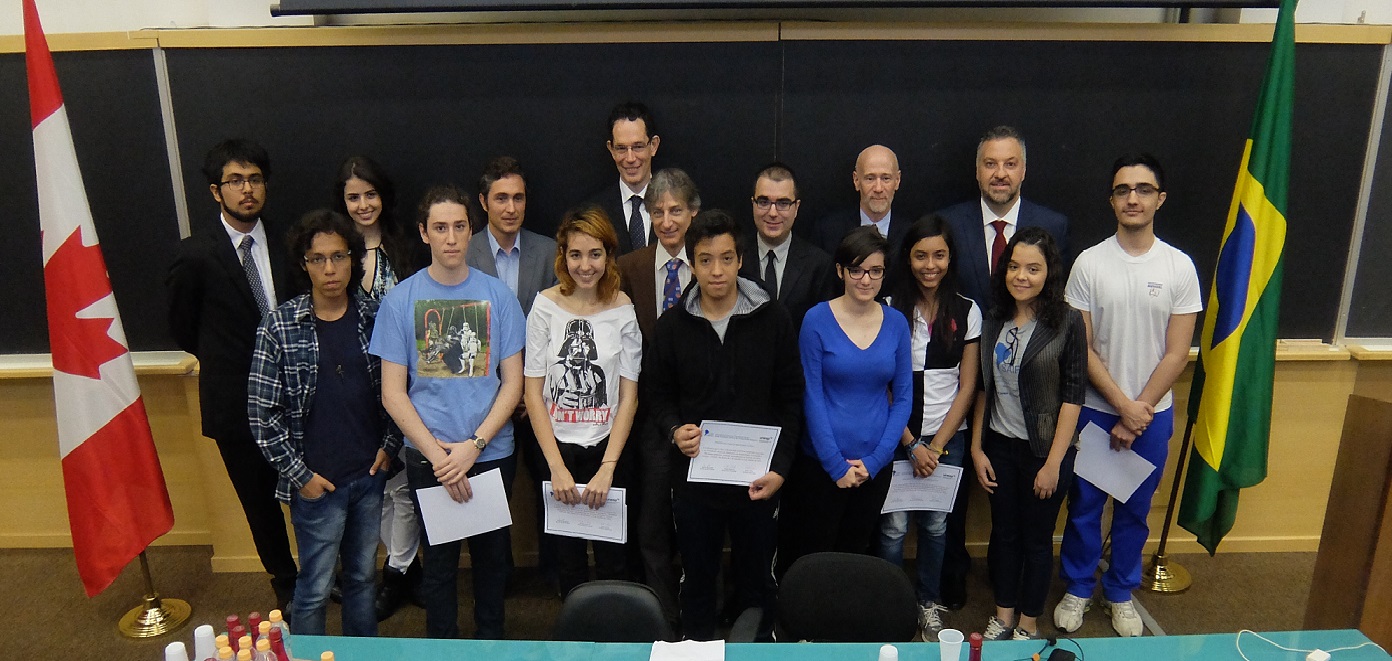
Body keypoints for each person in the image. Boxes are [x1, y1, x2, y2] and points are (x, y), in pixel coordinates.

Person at [369, 184, 526, 639]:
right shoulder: (401, 301)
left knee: (492, 564)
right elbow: (393, 394)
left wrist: (473, 448)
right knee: (439, 565)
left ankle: (491, 646)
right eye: (440, 228)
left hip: (490, 451)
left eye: (460, 227)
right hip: (429, 459)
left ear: (470, 230)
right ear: (424, 233)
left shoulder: (498, 296)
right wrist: (441, 458)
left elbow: (513, 382)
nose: (452, 237)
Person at [1054, 154, 1201, 637]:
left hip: (1152, 415)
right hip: (1097, 412)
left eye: (1143, 189)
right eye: (1122, 190)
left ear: (1160, 198)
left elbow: (1178, 353)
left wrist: (1139, 412)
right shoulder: (1089, 263)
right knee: (1086, 508)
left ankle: (1120, 591)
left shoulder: (1179, 267)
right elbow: (1083, 346)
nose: (1132, 198)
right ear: (1111, 199)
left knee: (1136, 509)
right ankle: (1078, 587)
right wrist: (1121, 406)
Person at [642, 210, 803, 641]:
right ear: (691, 264)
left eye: (726, 258)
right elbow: (655, 395)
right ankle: (696, 649)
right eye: (706, 260)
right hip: (694, 484)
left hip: (758, 480)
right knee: (697, 581)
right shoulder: (673, 326)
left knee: (756, 584)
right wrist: (675, 429)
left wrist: (781, 469)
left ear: (740, 260)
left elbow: (791, 401)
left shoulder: (774, 319)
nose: (717, 271)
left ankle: (757, 650)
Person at [934, 125, 1070, 610]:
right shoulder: (949, 222)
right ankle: (950, 578)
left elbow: (1058, 310)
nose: (1000, 173)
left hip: (1030, 387)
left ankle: (1007, 590)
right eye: (990, 164)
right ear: (977, 171)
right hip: (961, 379)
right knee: (956, 492)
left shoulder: (1053, 224)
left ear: (1024, 170)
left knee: (1017, 522)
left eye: (1009, 164)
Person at [248, 209, 400, 636]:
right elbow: (262, 417)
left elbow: (397, 393)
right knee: (313, 588)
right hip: (316, 486)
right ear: (304, 264)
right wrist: (301, 477)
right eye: (319, 259)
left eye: (339, 256)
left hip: (368, 478)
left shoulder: (375, 317)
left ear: (354, 259)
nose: (330, 268)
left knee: (362, 580)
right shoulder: (280, 326)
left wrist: (389, 447)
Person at [166, 138, 297, 613]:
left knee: (308, 490)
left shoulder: (290, 243)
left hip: (296, 397)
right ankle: (285, 581)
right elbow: (183, 328)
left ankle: (323, 569)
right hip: (234, 403)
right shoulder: (195, 254)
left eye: (255, 179)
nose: (247, 190)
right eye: (236, 181)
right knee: (259, 502)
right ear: (215, 191)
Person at [971, 227, 1085, 642]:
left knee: (1037, 541)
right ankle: (1002, 617)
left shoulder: (1067, 322)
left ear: (1048, 273)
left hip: (1045, 451)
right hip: (999, 447)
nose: (1022, 276)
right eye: (1015, 266)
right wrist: (977, 448)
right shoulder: (993, 318)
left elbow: (1073, 396)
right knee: (1004, 535)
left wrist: (1054, 463)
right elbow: (985, 386)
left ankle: (1028, 622)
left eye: (1033, 269)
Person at [873, 215, 981, 641]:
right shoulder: (889, 308)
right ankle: (890, 601)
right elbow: (883, 383)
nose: (929, 264)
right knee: (894, 527)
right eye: (920, 255)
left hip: (945, 438)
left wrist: (935, 446)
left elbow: (968, 385)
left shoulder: (967, 310)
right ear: (907, 258)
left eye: (939, 254)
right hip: (897, 436)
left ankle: (927, 601)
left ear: (950, 257)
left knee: (937, 526)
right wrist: (911, 443)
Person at [524, 206, 641, 598]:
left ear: (609, 256)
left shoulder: (624, 308)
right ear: (563, 256)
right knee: (567, 562)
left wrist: (608, 467)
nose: (585, 265)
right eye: (576, 254)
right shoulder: (544, 306)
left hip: (609, 450)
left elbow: (628, 396)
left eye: (595, 254)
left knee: (614, 561)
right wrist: (556, 467)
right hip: (557, 451)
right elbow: (533, 392)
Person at [782, 225, 912, 566]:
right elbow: (811, 396)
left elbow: (902, 399)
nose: (865, 279)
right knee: (817, 557)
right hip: (822, 467)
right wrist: (835, 465)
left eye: (875, 271)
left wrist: (875, 462)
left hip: (875, 467)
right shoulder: (815, 320)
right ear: (840, 271)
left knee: (857, 557)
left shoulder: (897, 323)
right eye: (856, 269)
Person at [332, 155, 422, 620]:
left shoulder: (405, 250)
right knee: (373, 481)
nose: (363, 204)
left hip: (406, 382)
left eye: (370, 194)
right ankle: (398, 564)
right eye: (353, 197)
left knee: (403, 483)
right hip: (354, 385)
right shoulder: (335, 252)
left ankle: (402, 572)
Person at [467, 155, 561, 592]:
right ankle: (496, 579)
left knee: (549, 483)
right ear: (483, 202)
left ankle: (553, 573)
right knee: (491, 494)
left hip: (540, 399)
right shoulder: (461, 250)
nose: (510, 207)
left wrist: (530, 393)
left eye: (518, 197)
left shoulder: (549, 250)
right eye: (501, 198)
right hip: (483, 401)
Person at [615, 167, 700, 624]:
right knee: (651, 526)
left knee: (700, 525)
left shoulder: (708, 264)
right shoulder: (628, 268)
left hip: (704, 421)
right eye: (658, 211)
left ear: (693, 213)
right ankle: (664, 619)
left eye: (676, 211)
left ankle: (700, 613)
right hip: (649, 421)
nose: (667, 221)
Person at [738, 162, 837, 333]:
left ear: (796, 207)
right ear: (753, 204)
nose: (773, 212)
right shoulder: (734, 257)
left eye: (783, 203)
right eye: (763, 202)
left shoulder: (819, 264)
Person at [808, 145, 911, 258]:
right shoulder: (827, 232)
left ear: (897, 180)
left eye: (886, 178)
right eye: (870, 178)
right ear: (856, 180)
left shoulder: (911, 235)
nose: (878, 188)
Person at [586, 101, 661, 255]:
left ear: (653, 145)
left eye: (638, 146)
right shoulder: (594, 212)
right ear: (611, 149)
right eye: (621, 148)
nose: (630, 158)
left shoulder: (677, 208)